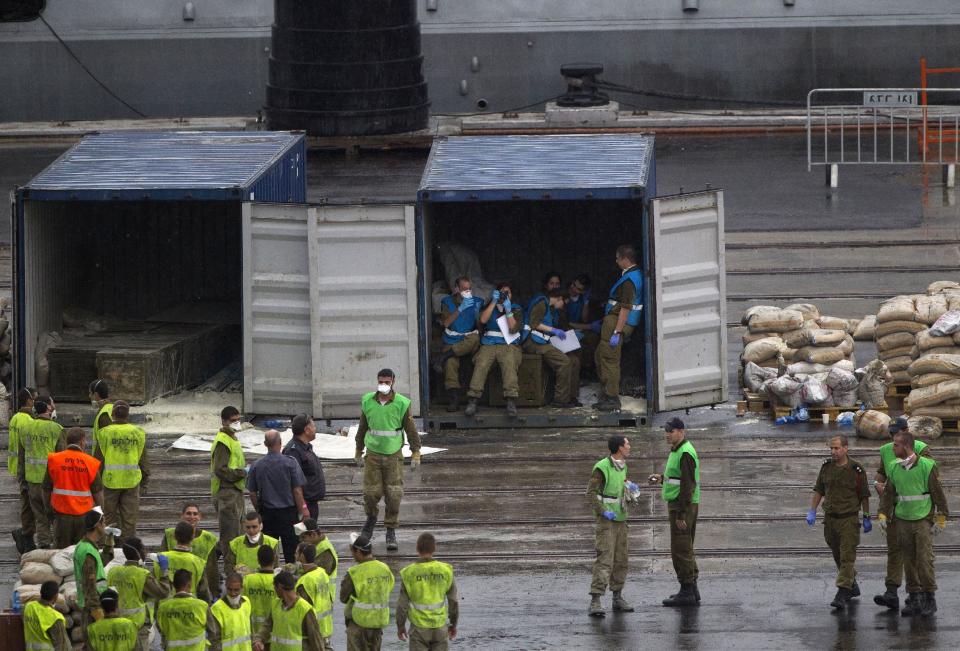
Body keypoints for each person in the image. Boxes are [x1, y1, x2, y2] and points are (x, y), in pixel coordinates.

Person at [878, 429, 949, 617]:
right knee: (908, 561)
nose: (892, 448)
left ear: (906, 446)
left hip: (922, 520)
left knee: (924, 561)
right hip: (903, 520)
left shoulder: (927, 466)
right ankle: (915, 597)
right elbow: (888, 494)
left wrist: (940, 519)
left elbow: (938, 494)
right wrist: (883, 515)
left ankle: (929, 598)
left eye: (896, 444)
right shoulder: (893, 466)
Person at [355, 368, 422, 550]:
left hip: (393, 456)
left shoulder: (402, 403)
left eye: (387, 381)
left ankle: (390, 529)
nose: (384, 385)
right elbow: (362, 427)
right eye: (381, 381)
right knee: (370, 493)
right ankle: (371, 519)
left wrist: (416, 452)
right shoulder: (368, 401)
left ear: (393, 381)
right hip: (373, 455)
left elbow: (411, 429)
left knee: (394, 494)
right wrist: (358, 449)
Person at [873, 417, 932, 611]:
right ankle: (892, 591)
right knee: (895, 550)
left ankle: (920, 593)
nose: (893, 438)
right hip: (895, 510)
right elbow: (881, 473)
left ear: (907, 431)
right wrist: (878, 484)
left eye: (897, 433)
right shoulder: (886, 450)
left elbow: (928, 478)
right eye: (891, 434)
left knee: (917, 554)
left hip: (916, 511)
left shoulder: (922, 449)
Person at [807, 435, 871, 609]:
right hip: (830, 520)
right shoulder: (826, 467)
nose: (833, 452)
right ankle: (852, 584)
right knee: (837, 555)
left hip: (848, 520)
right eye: (831, 449)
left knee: (847, 557)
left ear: (845, 448)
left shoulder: (856, 469)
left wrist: (866, 516)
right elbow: (819, 489)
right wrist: (812, 510)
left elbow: (864, 494)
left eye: (836, 448)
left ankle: (842, 592)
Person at [649, 417, 700, 607]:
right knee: (685, 546)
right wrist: (661, 478)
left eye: (671, 431)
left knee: (681, 549)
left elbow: (688, 485)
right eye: (666, 431)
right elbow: (678, 478)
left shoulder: (685, 453)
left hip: (682, 506)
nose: (667, 434)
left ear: (681, 431)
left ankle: (687, 590)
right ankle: (692, 589)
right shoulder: (678, 450)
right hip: (681, 503)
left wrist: (680, 514)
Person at [586, 435, 636, 617]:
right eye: (627, 444)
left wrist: (629, 489)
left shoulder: (623, 466)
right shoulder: (602, 467)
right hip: (607, 522)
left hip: (621, 519)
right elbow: (590, 494)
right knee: (605, 559)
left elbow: (619, 486)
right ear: (619, 448)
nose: (630, 447)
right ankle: (596, 599)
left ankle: (617, 597)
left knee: (621, 560)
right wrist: (603, 511)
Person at [247, 429, 308, 563]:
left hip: (267, 514)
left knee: (269, 553)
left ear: (265, 444)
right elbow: (297, 491)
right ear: (280, 443)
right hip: (288, 515)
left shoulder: (256, 465)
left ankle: (271, 577)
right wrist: (303, 509)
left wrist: (259, 509)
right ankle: (290, 579)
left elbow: (252, 492)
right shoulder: (290, 463)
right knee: (291, 553)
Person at [464, 283, 524, 417]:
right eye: (502, 292)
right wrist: (494, 302)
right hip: (489, 343)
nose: (505, 295)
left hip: (508, 344)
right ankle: (473, 399)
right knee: (482, 363)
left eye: (507, 293)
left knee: (509, 363)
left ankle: (510, 400)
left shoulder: (516, 309)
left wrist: (508, 311)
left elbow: (514, 328)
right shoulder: (489, 307)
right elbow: (483, 320)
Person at [595, 244, 643, 412]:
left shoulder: (629, 280)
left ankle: (611, 398)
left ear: (624, 259)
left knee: (609, 360)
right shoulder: (634, 275)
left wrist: (617, 331)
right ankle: (606, 395)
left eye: (617, 258)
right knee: (601, 356)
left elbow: (625, 308)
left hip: (617, 324)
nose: (616, 261)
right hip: (616, 322)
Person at [94, 401, 149, 539]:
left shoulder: (104, 433)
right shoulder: (137, 433)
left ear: (112, 414)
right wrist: (145, 480)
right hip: (131, 482)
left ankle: (111, 549)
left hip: (110, 482)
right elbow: (143, 459)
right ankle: (127, 551)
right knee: (129, 521)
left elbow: (98, 461)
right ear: (128, 415)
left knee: (109, 520)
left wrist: (95, 485)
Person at [397, 533, 459, 651]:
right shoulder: (445, 570)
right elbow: (453, 601)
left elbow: (402, 605)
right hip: (440, 627)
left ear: (417, 548)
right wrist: (453, 624)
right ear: (434, 548)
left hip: (418, 630)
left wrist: (400, 626)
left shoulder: (409, 573)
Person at [108, 537, 172, 651]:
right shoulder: (142, 575)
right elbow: (163, 592)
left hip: (117, 625)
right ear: (138, 552)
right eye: (143, 549)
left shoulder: (113, 572)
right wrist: (164, 572)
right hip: (137, 628)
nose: (145, 552)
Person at [18, 396, 65, 548]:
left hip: (32, 482)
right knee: (56, 516)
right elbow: (63, 457)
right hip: (51, 483)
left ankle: (44, 546)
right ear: (48, 409)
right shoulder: (56, 429)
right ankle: (57, 547)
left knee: (40, 517)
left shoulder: (25, 429)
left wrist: (22, 480)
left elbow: (21, 458)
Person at [45, 427, 102, 548]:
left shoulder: (54, 460)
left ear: (66, 442)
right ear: (82, 442)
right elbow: (98, 493)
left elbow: (46, 488)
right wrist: (100, 514)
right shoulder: (91, 462)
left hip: (61, 516)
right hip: (84, 518)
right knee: (81, 551)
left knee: (61, 554)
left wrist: (48, 510)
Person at [433, 276, 482, 412]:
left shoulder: (477, 302)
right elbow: (446, 323)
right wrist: (460, 309)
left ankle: (443, 356)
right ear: (456, 289)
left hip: (469, 340)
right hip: (452, 339)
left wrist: (476, 312)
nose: (468, 292)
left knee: (475, 339)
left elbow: (480, 327)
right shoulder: (447, 302)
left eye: (469, 289)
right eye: (464, 289)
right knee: (451, 363)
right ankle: (454, 399)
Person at [524, 287, 578, 407]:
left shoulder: (550, 308)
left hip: (542, 341)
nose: (563, 306)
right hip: (532, 342)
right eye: (563, 303)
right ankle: (560, 400)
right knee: (564, 362)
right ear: (559, 298)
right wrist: (554, 330)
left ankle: (570, 396)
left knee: (573, 360)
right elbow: (534, 323)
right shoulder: (542, 303)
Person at [211, 405, 248, 576]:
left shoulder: (232, 438)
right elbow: (221, 469)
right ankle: (229, 576)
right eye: (233, 421)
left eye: (238, 420)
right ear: (224, 421)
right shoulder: (223, 441)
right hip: (227, 493)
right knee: (230, 539)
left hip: (235, 492)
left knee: (238, 534)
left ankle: (211, 562)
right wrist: (242, 473)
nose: (237, 423)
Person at [341, 534, 394, 651]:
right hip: (378, 623)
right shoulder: (385, 568)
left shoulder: (354, 572)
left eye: (353, 552)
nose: (353, 555)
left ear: (359, 551)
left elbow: (343, 597)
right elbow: (388, 587)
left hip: (358, 624)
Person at [74, 508, 118, 644]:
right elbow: (89, 585)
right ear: (98, 525)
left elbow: (102, 561)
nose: (105, 526)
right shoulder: (87, 551)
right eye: (104, 523)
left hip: (93, 605)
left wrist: (109, 539)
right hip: (93, 608)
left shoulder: (87, 546)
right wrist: (97, 613)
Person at [160, 502, 220, 601]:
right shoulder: (169, 535)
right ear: (182, 516)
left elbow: (212, 569)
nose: (192, 516)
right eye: (188, 513)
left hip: (195, 591)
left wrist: (214, 592)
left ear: (200, 517)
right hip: (171, 591)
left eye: (195, 514)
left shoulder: (208, 538)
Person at [253, 570, 325, 651]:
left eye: (274, 587)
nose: (274, 590)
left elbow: (315, 639)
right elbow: (267, 625)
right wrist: (259, 640)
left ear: (279, 587)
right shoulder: (276, 605)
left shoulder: (305, 609)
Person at [9, 386, 38, 553]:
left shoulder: (15, 418)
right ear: (29, 401)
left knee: (27, 504)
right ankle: (26, 535)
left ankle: (26, 533)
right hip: (28, 469)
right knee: (30, 505)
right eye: (35, 399)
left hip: (19, 468)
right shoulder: (28, 421)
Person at [154, 521, 212, 602]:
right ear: (192, 537)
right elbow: (203, 592)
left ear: (174, 536)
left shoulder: (160, 558)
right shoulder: (198, 562)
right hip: (190, 609)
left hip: (164, 609)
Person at [284, 414, 326, 520]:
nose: (315, 429)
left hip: (310, 504)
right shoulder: (293, 451)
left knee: (310, 534)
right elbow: (294, 485)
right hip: (303, 506)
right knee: (303, 535)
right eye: (314, 426)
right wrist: (303, 508)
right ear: (307, 430)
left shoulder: (305, 447)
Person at [156, 569, 209, 651]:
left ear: (173, 585)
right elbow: (213, 631)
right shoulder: (202, 606)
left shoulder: (163, 607)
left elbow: (160, 628)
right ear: (190, 585)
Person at [295, 543, 334, 649]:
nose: (295, 556)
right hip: (326, 627)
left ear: (302, 556)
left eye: (296, 553)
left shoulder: (304, 582)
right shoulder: (322, 573)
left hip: (313, 631)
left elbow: (301, 611)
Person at [564, 273, 598, 379]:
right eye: (573, 284)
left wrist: (586, 302)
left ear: (583, 291)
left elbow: (584, 319)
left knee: (592, 338)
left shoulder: (581, 299)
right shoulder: (563, 297)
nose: (573, 289)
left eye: (578, 289)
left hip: (577, 327)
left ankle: (586, 370)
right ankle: (576, 373)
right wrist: (588, 327)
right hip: (564, 328)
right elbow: (565, 323)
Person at [208, 572, 253, 651]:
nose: (233, 593)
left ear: (242, 588)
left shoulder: (246, 602)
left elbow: (250, 630)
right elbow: (214, 640)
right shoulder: (217, 608)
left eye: (236, 590)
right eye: (229, 589)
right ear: (225, 587)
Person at [22, 580, 70, 651]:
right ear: (56, 596)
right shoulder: (55, 618)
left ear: (41, 592)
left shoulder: (28, 607)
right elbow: (62, 645)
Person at [243, 545, 278, 634]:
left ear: (258, 560)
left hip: (251, 631)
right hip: (273, 632)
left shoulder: (247, 579)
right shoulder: (278, 581)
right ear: (274, 559)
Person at [297, 518, 338, 587]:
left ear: (313, 534)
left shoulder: (325, 550)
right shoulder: (317, 545)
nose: (301, 541)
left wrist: (292, 569)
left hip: (322, 594)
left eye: (304, 537)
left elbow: (313, 571)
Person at [89, 379, 114, 455]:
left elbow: (103, 444)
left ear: (96, 395)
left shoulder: (104, 414)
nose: (89, 396)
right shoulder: (111, 408)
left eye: (90, 393)